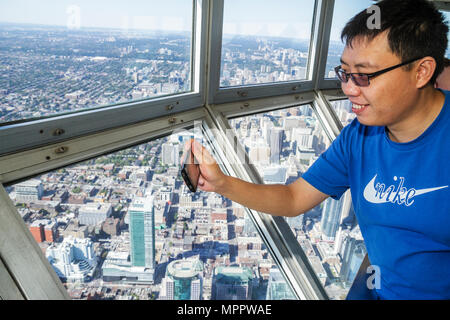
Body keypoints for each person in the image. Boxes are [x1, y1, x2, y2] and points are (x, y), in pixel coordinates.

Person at [187, 0, 450, 300]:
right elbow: (294, 197)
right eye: (345, 72)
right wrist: (221, 183)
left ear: (421, 71)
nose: (349, 89)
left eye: (364, 75)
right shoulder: (359, 136)